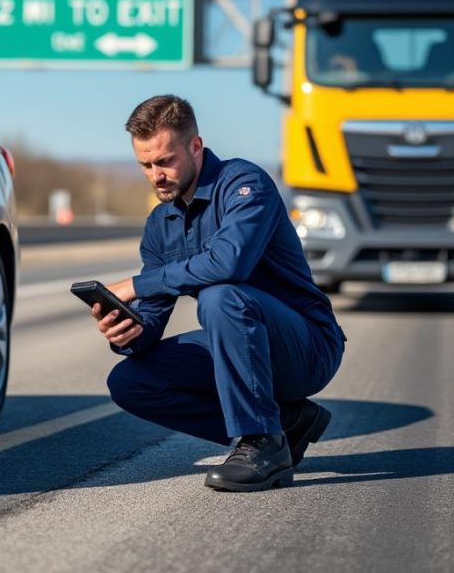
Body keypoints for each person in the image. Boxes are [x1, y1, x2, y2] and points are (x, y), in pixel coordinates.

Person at [91, 94, 346, 492]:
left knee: (220, 295)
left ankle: (261, 442)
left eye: (165, 161)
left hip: (307, 346)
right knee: (130, 381)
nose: (156, 175)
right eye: (145, 165)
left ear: (195, 146)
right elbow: (155, 317)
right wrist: (128, 331)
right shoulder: (161, 224)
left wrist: (135, 285)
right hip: (239, 345)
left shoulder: (244, 184)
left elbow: (229, 265)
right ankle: (284, 426)